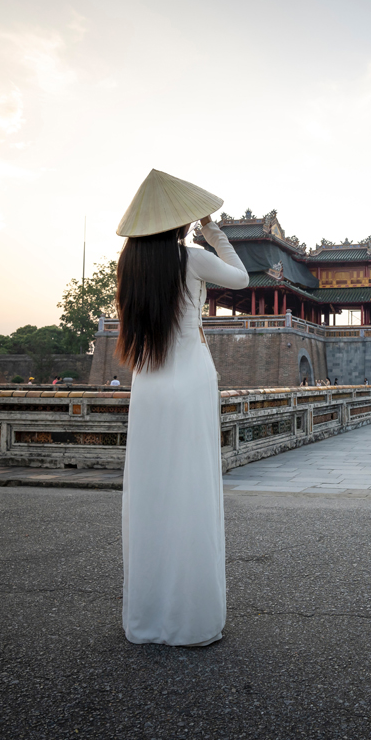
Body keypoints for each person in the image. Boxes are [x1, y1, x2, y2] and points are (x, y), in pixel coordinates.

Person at [115, 169, 249, 647]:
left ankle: (147, 618)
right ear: (177, 220)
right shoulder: (190, 259)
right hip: (190, 381)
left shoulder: (129, 268)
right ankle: (190, 617)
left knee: (151, 492)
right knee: (190, 488)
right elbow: (241, 277)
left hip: (148, 384)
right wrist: (212, 230)